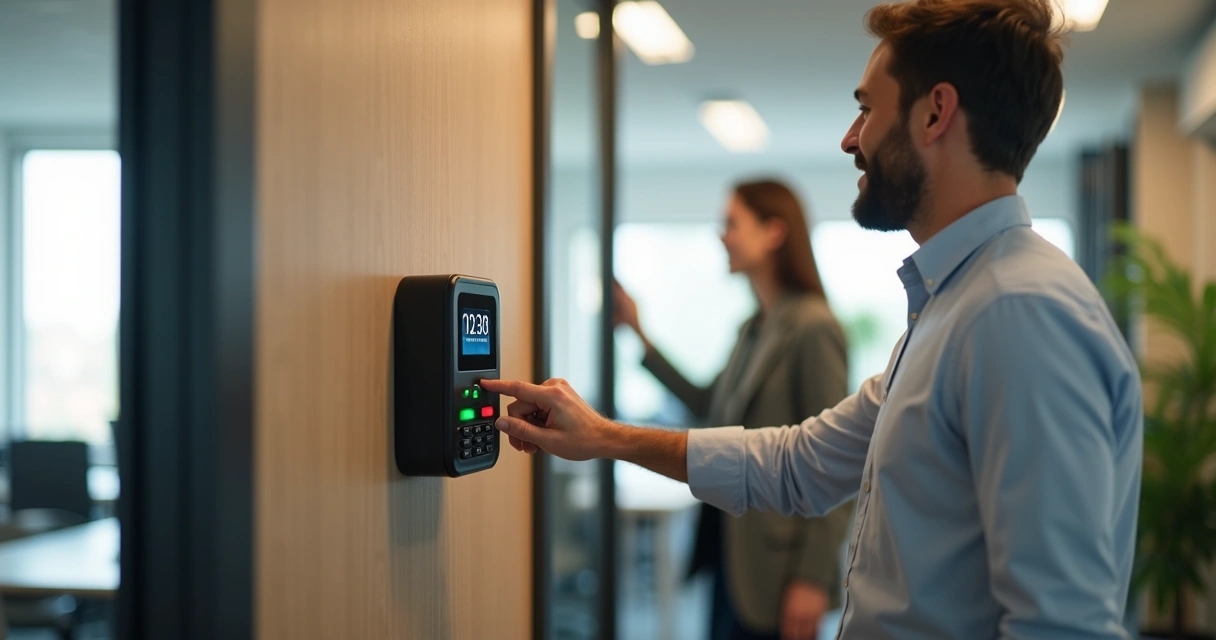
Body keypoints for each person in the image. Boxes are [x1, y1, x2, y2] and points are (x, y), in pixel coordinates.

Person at [486, 0, 1143, 638]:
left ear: (935, 112)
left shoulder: (1019, 314)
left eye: (865, 109)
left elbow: (1061, 624)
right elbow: (799, 466)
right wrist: (604, 436)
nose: (850, 138)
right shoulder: (953, 306)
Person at [614, 179, 853, 640]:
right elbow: (710, 407)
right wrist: (638, 333)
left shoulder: (813, 328)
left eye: (732, 223)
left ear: (773, 233)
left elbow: (834, 464)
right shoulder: (752, 329)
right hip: (732, 557)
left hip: (778, 570)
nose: (721, 236)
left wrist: (811, 578)